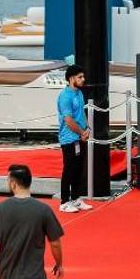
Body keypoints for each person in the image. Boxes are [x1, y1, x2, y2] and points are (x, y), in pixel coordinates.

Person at [56, 64, 92, 213]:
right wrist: (81, 132)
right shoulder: (65, 96)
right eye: (80, 77)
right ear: (71, 79)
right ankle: (64, 202)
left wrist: (88, 128)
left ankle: (76, 199)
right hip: (69, 138)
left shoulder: (79, 93)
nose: (83, 79)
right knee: (69, 169)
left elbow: (81, 113)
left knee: (78, 169)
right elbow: (68, 120)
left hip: (80, 136)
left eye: (83, 77)